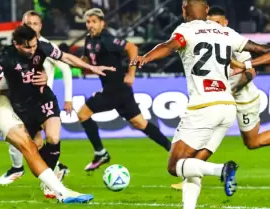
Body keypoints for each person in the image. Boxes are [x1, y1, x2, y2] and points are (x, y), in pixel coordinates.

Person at [131, 0, 255, 208]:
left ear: (183, 10)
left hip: (203, 107)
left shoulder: (186, 30)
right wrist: (251, 63)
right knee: (193, 164)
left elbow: (170, 46)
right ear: (206, 11)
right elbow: (259, 49)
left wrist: (147, 57)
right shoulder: (225, 32)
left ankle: (221, 170)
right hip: (227, 106)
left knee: (175, 166)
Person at [0, 46, 94, 205]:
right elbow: (55, 67)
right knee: (30, 147)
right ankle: (62, 193)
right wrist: (44, 79)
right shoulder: (21, 63)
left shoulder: (6, 59)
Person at [0, 24, 114, 199]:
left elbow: (66, 58)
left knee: (54, 138)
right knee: (36, 147)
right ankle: (53, 174)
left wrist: (92, 68)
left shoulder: (42, 46)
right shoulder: (6, 56)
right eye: (28, 47)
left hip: (43, 98)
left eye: (34, 45)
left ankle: (49, 183)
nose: (33, 50)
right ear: (17, 45)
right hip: (22, 107)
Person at [171, 6, 270, 191]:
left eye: (217, 23)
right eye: (210, 22)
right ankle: (189, 176)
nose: (213, 26)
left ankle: (191, 172)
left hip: (244, 99)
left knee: (252, 142)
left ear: (225, 23)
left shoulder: (234, 41)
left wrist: (232, 88)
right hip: (223, 100)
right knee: (209, 140)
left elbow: (251, 72)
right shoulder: (206, 37)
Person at [77, 8, 172, 172]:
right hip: (119, 91)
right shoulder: (89, 40)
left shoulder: (107, 39)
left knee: (83, 114)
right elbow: (86, 61)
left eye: (94, 22)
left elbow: (132, 48)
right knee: (140, 123)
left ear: (102, 23)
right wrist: (75, 62)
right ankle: (172, 149)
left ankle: (100, 153)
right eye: (88, 22)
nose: (90, 25)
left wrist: (131, 73)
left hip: (115, 89)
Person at [0, 11, 73, 197]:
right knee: (33, 145)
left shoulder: (46, 46)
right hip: (24, 103)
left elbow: (66, 67)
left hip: (43, 102)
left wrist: (68, 98)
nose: (32, 26)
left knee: (47, 140)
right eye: (28, 23)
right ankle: (54, 170)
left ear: (41, 26)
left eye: (35, 23)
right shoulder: (15, 49)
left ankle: (41, 176)